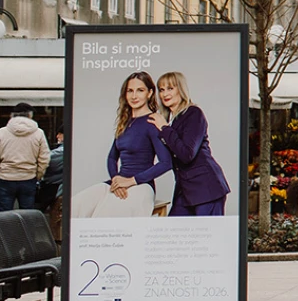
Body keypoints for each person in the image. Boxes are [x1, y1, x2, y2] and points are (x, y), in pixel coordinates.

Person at [72, 72, 172, 218]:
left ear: (150, 93)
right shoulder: (124, 122)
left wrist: (130, 181)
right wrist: (116, 180)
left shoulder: (152, 122)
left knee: (107, 214)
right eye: (130, 91)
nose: (134, 96)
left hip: (141, 185)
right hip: (118, 182)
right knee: (76, 205)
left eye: (140, 90)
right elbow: (112, 157)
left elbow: (166, 163)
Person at [153, 72, 231, 216]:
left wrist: (164, 129)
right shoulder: (173, 121)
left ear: (180, 89)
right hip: (185, 190)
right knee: (172, 234)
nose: (165, 94)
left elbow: (187, 154)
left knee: (208, 236)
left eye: (170, 88)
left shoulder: (194, 113)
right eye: (161, 89)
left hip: (206, 189)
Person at [0, 103, 51, 212]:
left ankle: (6, 230)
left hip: (5, 177)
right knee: (27, 215)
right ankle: (24, 230)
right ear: (30, 116)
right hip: (28, 178)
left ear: (12, 116)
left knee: (4, 215)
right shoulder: (38, 133)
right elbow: (44, 158)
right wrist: (38, 175)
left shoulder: (1, 133)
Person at [37, 130, 66, 237]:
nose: (57, 136)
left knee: (35, 210)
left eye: (60, 133)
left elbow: (44, 160)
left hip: (53, 186)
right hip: (57, 186)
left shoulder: (61, 152)